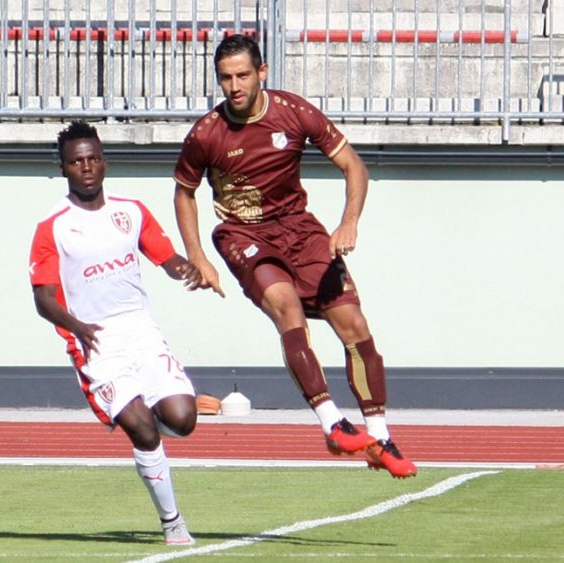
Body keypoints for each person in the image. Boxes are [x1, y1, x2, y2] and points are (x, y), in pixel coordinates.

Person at [172, 34, 417, 478]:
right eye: (225, 78)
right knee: (286, 307)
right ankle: (332, 424)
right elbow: (184, 193)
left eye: (243, 75)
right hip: (243, 234)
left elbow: (354, 166)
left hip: (301, 231)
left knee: (354, 324)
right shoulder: (206, 134)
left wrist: (349, 222)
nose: (234, 86)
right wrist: (198, 256)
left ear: (261, 72)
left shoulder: (293, 111)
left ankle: (380, 437)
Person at [29, 121, 200, 545]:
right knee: (142, 429)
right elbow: (43, 300)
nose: (86, 167)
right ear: (64, 169)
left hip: (141, 332)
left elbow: (166, 257)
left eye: (93, 159)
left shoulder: (131, 211)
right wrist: (77, 326)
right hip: (95, 342)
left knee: (183, 420)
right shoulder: (53, 226)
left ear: (104, 162)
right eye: (76, 162)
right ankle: (172, 521)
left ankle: (145, 429)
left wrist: (188, 269)